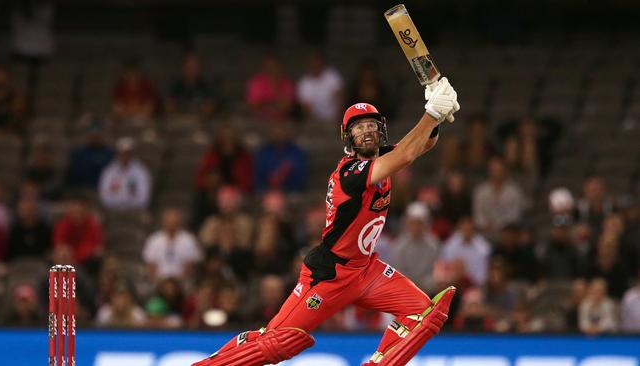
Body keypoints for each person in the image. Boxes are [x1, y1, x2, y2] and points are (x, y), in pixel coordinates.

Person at [192, 77, 460, 366]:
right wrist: (431, 112)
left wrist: (438, 113)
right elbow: (407, 153)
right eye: (359, 127)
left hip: (366, 269)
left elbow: (422, 144)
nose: (367, 131)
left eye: (371, 125)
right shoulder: (351, 172)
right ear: (348, 137)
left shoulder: (380, 157)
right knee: (277, 343)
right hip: (330, 274)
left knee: (426, 314)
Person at [389, 202, 440, 293]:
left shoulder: (433, 245)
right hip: (405, 290)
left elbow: (435, 270)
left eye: (419, 223)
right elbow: (398, 270)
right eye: (413, 223)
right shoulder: (399, 245)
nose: (416, 227)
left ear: (425, 224)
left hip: (428, 289)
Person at [143, 208, 202, 283]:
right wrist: (156, 281)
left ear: (179, 222)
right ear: (163, 222)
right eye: (169, 222)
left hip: (181, 281)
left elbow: (190, 265)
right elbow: (151, 265)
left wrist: (179, 281)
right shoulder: (154, 239)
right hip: (159, 280)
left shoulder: (188, 239)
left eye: (174, 222)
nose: (171, 224)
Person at [98, 137, 151, 211]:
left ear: (132, 154)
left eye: (128, 153)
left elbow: (144, 198)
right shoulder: (109, 171)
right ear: (118, 153)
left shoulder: (141, 171)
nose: (125, 156)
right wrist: (119, 205)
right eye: (122, 153)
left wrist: (127, 205)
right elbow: (104, 196)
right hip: (113, 210)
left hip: (134, 211)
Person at [246, 54, 296, 122]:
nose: (272, 69)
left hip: (283, 121)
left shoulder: (287, 82)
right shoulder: (256, 82)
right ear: (264, 67)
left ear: (279, 66)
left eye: (274, 66)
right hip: (260, 121)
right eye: (269, 66)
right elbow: (253, 106)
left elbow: (288, 107)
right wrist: (275, 103)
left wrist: (265, 103)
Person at [296, 52, 344, 122]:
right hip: (315, 120)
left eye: (317, 62)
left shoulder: (332, 75)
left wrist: (337, 118)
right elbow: (307, 110)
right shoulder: (304, 82)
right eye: (312, 63)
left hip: (335, 117)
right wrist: (317, 123)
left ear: (322, 63)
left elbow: (339, 98)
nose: (315, 65)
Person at [165, 53, 216, 118]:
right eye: (189, 67)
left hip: (199, 121)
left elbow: (209, 107)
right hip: (178, 121)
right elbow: (168, 107)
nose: (192, 70)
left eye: (195, 67)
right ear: (183, 67)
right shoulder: (175, 85)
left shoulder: (206, 85)